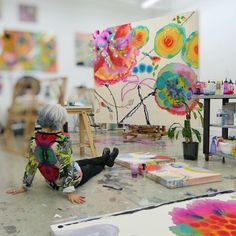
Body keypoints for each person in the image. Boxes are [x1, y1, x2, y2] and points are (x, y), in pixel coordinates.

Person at [6, 104, 119, 204]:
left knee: (85, 161)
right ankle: (106, 162)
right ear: (59, 121)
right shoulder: (61, 140)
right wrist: (70, 191)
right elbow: (66, 166)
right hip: (67, 180)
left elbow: (32, 162)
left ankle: (105, 158)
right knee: (92, 168)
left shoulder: (34, 138)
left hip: (52, 181)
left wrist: (24, 186)